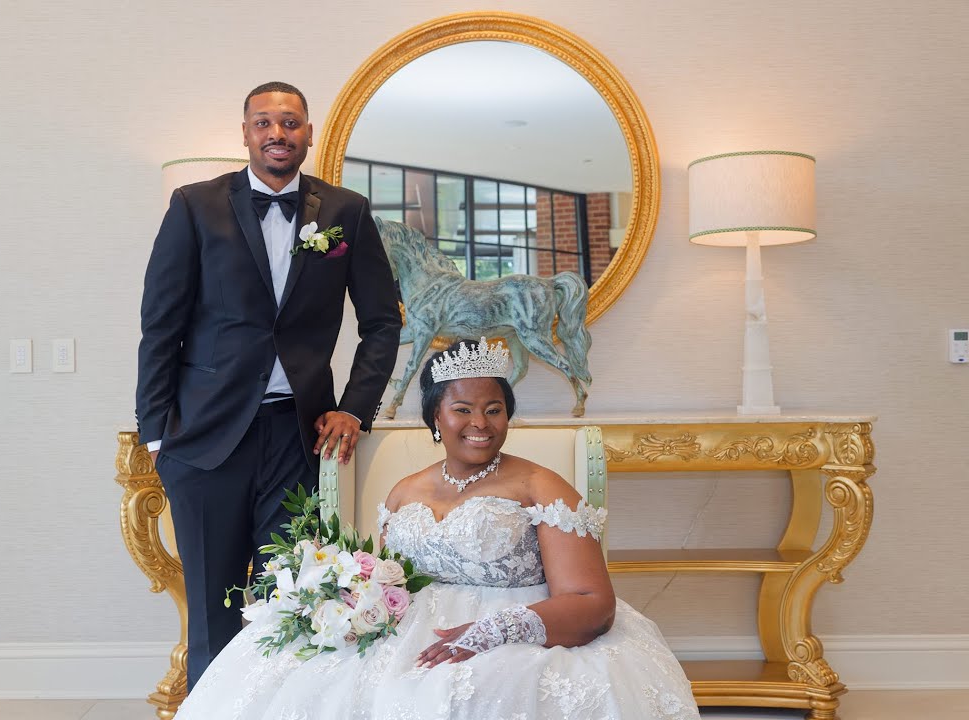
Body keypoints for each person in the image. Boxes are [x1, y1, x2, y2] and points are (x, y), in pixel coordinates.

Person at [173, 338, 700, 719]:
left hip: (519, 628)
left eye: (495, 409)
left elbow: (591, 601)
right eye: (463, 408)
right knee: (291, 676)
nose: (481, 423)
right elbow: (379, 579)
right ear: (434, 419)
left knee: (453, 696)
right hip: (404, 628)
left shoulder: (542, 486)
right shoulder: (404, 491)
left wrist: (492, 632)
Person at [135, 80, 402, 690]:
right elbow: (160, 325)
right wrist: (157, 436)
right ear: (246, 132)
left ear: (309, 132)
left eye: (290, 122)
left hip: (299, 437)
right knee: (212, 612)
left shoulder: (345, 212)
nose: (277, 133)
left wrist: (355, 409)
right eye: (264, 122)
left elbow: (383, 323)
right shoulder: (194, 205)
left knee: (298, 601)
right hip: (203, 440)